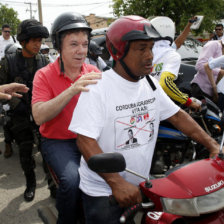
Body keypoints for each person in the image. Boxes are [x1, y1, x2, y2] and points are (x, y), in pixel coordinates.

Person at [68, 15, 221, 224]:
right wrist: (116, 183)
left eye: (151, 47)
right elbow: (85, 140)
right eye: (142, 48)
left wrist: (212, 145)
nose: (150, 55)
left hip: (140, 186)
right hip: (104, 191)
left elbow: (177, 116)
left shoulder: (149, 83)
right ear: (118, 51)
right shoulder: (97, 88)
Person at [31, 12, 101, 224]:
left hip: (89, 137)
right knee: (72, 180)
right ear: (58, 46)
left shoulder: (93, 71)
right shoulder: (43, 75)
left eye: (85, 44)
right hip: (58, 141)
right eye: (73, 44)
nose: (81, 51)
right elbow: (38, 116)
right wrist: (72, 90)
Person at [0, 19, 49, 202]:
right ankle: (31, 183)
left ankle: (53, 186)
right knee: (25, 153)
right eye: (34, 40)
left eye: (40, 40)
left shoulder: (44, 61)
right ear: (23, 41)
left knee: (48, 153)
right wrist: (9, 101)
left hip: (41, 115)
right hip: (19, 115)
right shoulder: (8, 62)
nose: (38, 44)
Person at [149, 16, 201, 111]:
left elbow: (178, 43)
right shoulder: (172, 54)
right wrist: (188, 102)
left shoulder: (144, 50)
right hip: (157, 104)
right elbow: (165, 83)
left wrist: (189, 25)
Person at [191, 38, 224, 106]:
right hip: (201, 89)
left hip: (212, 92)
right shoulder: (214, 45)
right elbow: (199, 66)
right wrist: (219, 72)